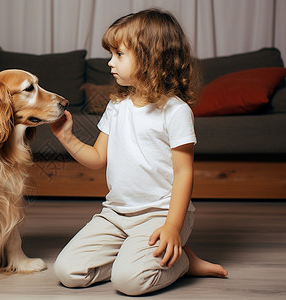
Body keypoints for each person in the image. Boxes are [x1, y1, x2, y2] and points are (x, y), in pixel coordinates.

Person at [51, 9, 228, 296]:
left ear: (151, 57)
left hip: (160, 215)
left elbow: (184, 173)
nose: (110, 62)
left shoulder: (176, 111)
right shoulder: (116, 106)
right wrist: (66, 137)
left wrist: (173, 226)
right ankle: (139, 255)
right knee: (68, 272)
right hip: (115, 215)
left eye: (118, 54)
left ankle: (183, 261)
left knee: (129, 283)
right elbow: (97, 159)